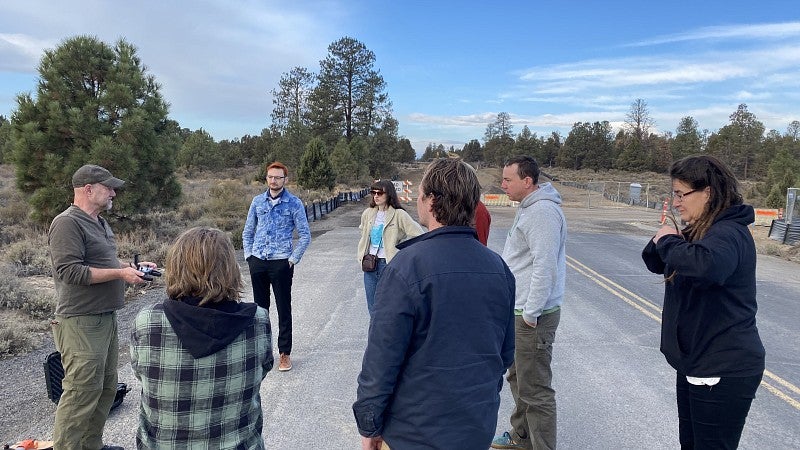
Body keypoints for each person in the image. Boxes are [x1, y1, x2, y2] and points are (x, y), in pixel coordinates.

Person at [353, 158, 516, 450]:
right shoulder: (499, 269)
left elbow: (381, 361)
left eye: (421, 193)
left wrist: (370, 425)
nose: (417, 199)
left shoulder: (406, 268)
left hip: (413, 433)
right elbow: (503, 355)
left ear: (431, 201)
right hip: (475, 428)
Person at [642, 155, 765, 449]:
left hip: (723, 366)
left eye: (682, 194)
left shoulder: (729, 233)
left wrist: (669, 241)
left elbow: (707, 265)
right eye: (674, 194)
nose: (676, 203)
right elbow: (654, 260)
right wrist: (668, 238)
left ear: (707, 192)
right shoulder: (702, 231)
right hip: (698, 363)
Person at [131, 227, 273, 449]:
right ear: (230, 269)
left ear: (175, 267)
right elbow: (262, 370)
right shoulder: (258, 320)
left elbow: (141, 374)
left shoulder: (148, 321)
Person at [48, 164, 156, 450]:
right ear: (88, 189)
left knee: (106, 389)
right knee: (81, 392)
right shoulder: (66, 223)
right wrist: (121, 275)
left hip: (104, 318)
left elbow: (103, 262)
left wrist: (131, 267)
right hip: (80, 321)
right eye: (108, 187)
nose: (113, 193)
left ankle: (90, 445)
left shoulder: (99, 222)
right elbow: (70, 271)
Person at [493, 155, 567, 450]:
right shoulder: (528, 208)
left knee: (535, 390)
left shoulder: (542, 213)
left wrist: (531, 313)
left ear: (527, 181)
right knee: (518, 378)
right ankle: (521, 437)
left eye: (508, 180)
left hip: (531, 314)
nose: (502, 185)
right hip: (519, 308)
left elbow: (544, 265)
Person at [243, 161, 311, 372]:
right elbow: (248, 231)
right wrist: (249, 256)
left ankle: (284, 354)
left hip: (281, 262)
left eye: (278, 177)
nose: (274, 180)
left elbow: (305, 235)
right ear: (267, 178)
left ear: (285, 180)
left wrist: (292, 259)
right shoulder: (257, 202)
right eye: (271, 177)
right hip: (258, 262)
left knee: (283, 308)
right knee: (260, 311)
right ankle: (262, 353)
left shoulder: (294, 203)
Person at [356, 179, 423, 315]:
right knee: (372, 307)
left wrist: (403, 253)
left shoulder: (399, 214)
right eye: (373, 192)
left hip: (389, 265)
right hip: (369, 264)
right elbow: (363, 232)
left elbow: (418, 234)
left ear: (389, 194)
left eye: (380, 193)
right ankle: (375, 335)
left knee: (391, 306)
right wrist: (362, 254)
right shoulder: (368, 213)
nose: (376, 196)